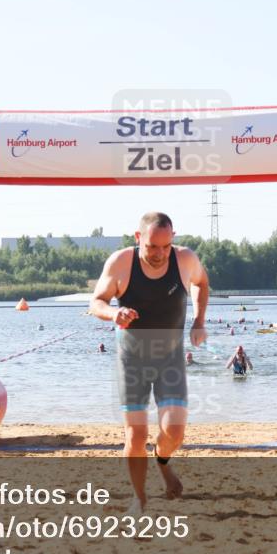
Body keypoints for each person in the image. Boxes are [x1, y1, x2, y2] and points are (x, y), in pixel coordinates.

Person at [89, 212, 210, 512]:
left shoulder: (184, 260)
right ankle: (139, 498)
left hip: (169, 359)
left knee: (174, 432)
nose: (159, 255)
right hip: (132, 361)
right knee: (136, 434)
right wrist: (113, 313)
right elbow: (96, 302)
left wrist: (198, 321)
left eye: (165, 247)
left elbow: (202, 284)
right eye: (152, 247)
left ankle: (162, 461)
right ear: (138, 238)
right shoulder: (120, 263)